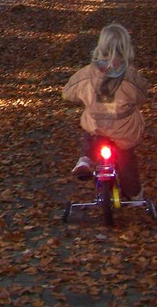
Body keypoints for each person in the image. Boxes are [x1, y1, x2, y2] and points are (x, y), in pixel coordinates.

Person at [62, 23, 149, 198]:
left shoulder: (87, 74)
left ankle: (85, 159)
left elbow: (67, 93)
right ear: (126, 47)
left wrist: (84, 98)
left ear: (100, 45)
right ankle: (134, 195)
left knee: (91, 134)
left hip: (97, 124)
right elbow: (142, 96)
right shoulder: (131, 77)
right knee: (127, 160)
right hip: (124, 129)